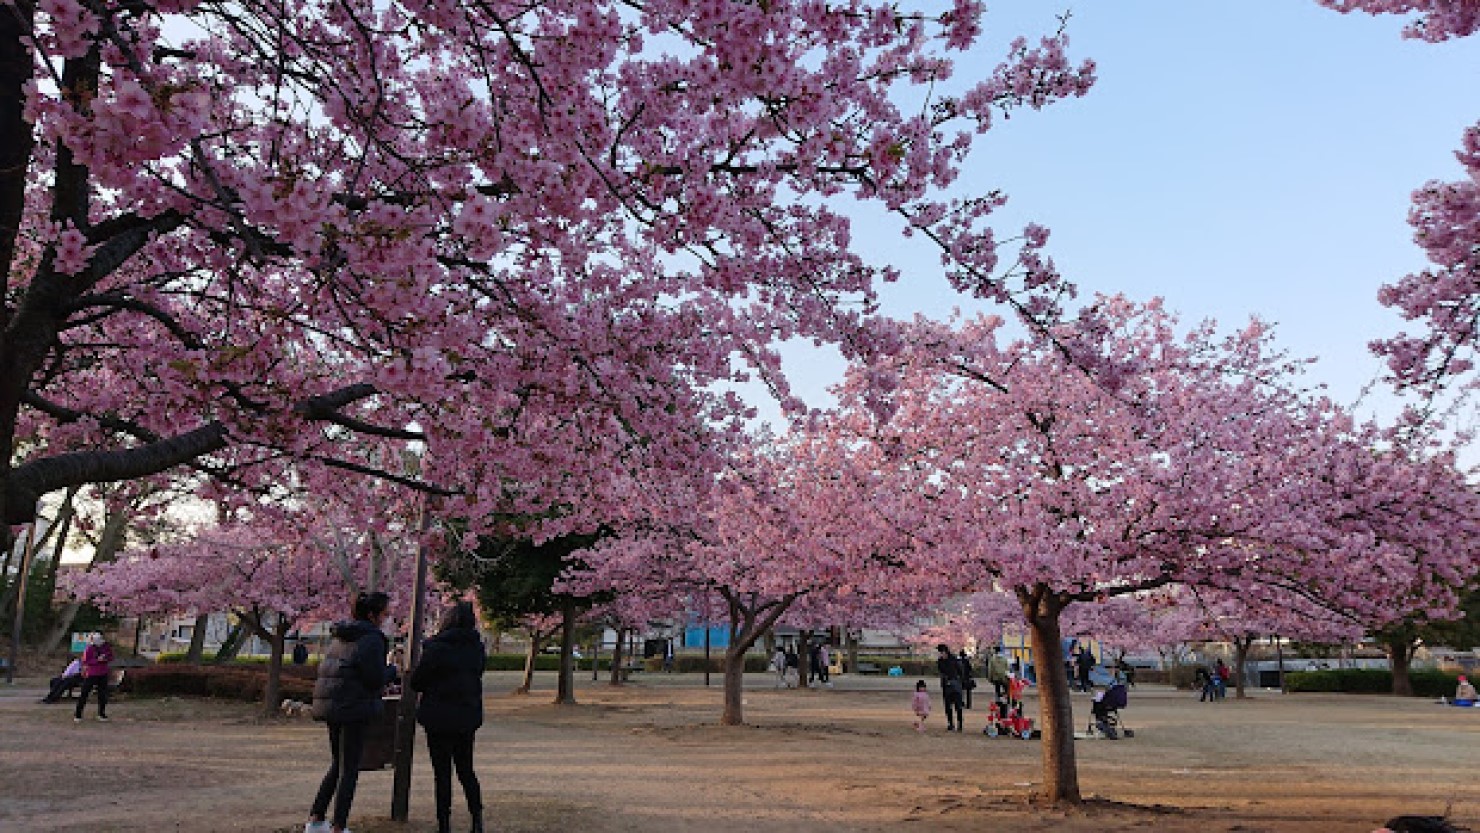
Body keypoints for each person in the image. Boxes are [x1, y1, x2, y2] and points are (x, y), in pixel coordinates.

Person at [306, 591, 392, 833]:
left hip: (333, 705)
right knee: (349, 768)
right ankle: (339, 825)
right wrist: (392, 671)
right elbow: (374, 678)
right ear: (372, 615)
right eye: (384, 613)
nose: (387, 618)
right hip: (354, 707)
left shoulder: (342, 636)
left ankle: (316, 819)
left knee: (338, 764)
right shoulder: (372, 638)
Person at [410, 601, 486, 833]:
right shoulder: (476, 648)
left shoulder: (436, 648)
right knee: (466, 769)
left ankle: (444, 823)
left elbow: (417, 682)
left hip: (438, 717)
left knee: (442, 773)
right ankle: (476, 819)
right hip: (466, 715)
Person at [74, 634, 114, 723]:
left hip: (103, 673)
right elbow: (85, 660)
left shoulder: (106, 647)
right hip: (92, 673)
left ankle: (101, 714)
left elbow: (111, 657)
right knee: (84, 693)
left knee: (102, 694)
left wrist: (105, 658)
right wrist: (96, 660)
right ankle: (78, 714)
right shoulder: (89, 648)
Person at [935, 643, 964, 732]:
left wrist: (958, 680)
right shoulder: (940, 661)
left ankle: (960, 724)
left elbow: (960, 671)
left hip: (955, 685)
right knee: (948, 706)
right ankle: (951, 724)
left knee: (958, 706)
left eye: (941, 652)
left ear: (945, 651)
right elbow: (941, 671)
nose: (940, 654)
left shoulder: (954, 659)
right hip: (946, 685)